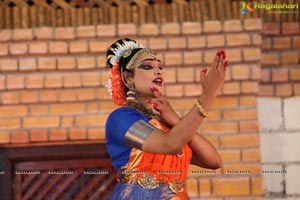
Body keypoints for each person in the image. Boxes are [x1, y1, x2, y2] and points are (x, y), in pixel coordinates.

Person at [105, 38, 229, 200]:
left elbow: (213, 161)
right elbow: (169, 144)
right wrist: (208, 95)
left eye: (160, 67)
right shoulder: (121, 118)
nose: (158, 71)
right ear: (128, 78)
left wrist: (175, 120)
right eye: (148, 66)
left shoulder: (167, 124)